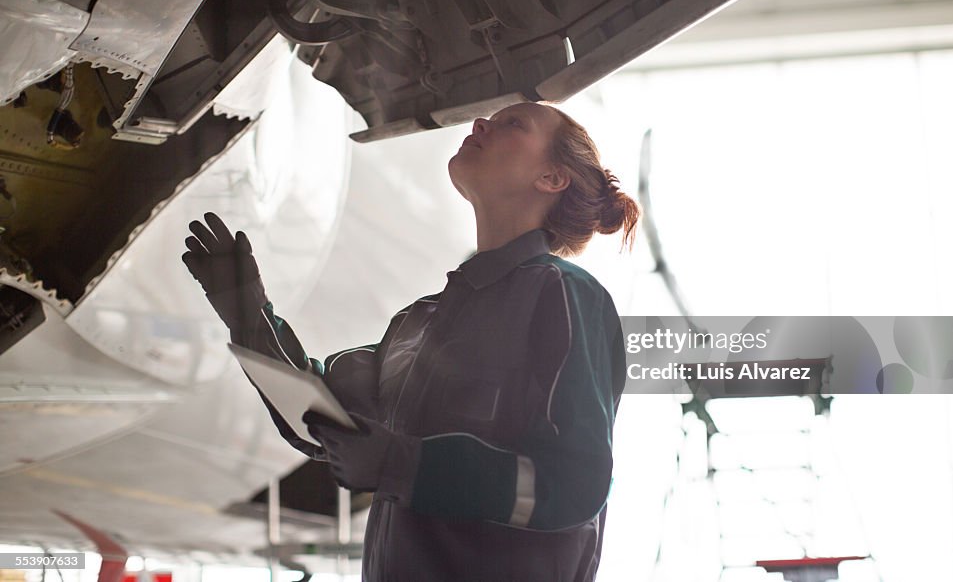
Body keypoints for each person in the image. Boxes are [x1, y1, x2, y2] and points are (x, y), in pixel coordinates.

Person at [182, 101, 640, 581]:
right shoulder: (419, 320)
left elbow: (574, 483)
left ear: (551, 178)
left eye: (513, 124)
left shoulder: (565, 295)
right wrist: (246, 313)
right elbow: (317, 424)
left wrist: (403, 466)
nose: (482, 122)